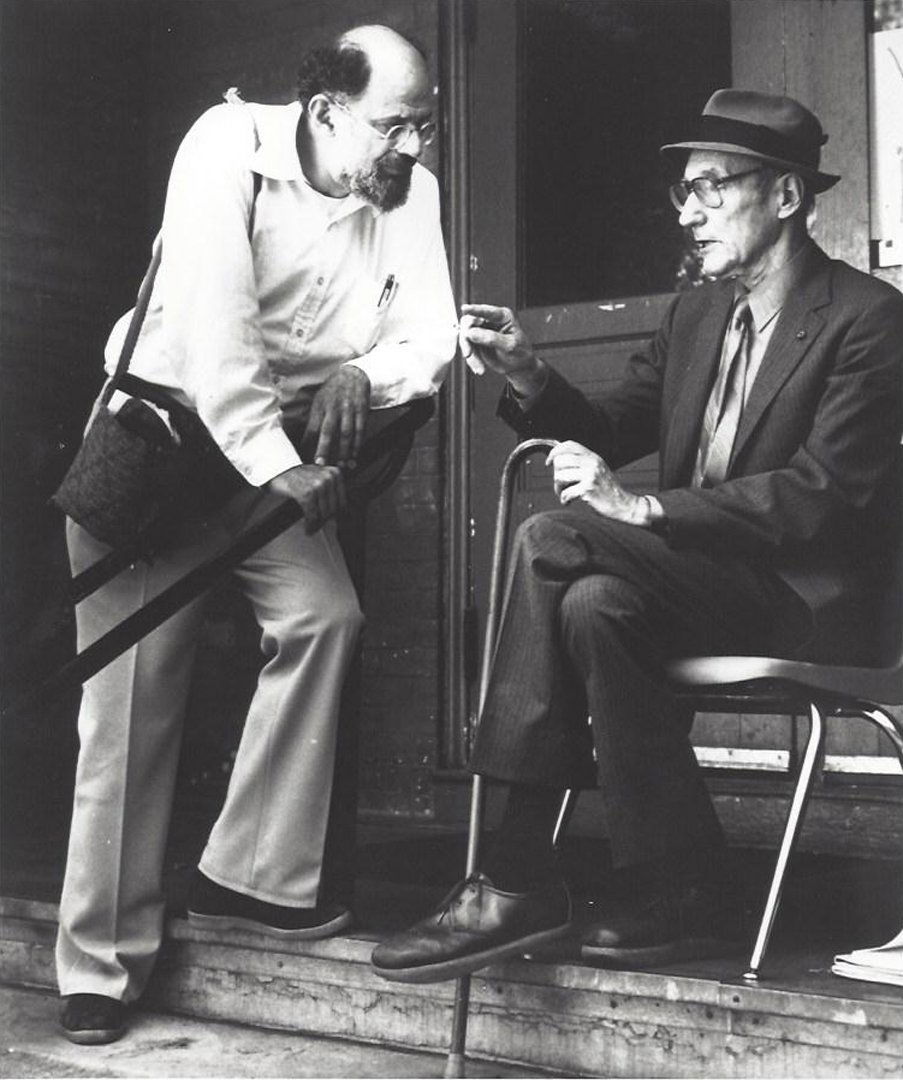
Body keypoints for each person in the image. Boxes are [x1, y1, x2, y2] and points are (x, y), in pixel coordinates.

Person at [371, 89, 903, 985]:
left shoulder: (867, 317)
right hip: (694, 588)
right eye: (682, 192)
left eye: (712, 187)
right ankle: (681, 890)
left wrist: (646, 511)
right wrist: (530, 373)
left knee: (552, 541)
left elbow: (823, 496)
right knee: (592, 602)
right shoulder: (694, 314)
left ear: (785, 196)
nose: (688, 210)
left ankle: (512, 870)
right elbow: (614, 424)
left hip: (802, 605)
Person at [58, 24, 456, 1044]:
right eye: (396, 125)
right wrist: (286, 466)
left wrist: (369, 375)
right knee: (130, 701)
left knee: (326, 614)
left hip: (271, 451)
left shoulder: (410, 192)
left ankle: (246, 873)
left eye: (427, 123)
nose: (415, 146)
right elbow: (213, 334)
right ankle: (100, 965)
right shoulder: (224, 147)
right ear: (327, 112)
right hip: (162, 439)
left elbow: (430, 334)